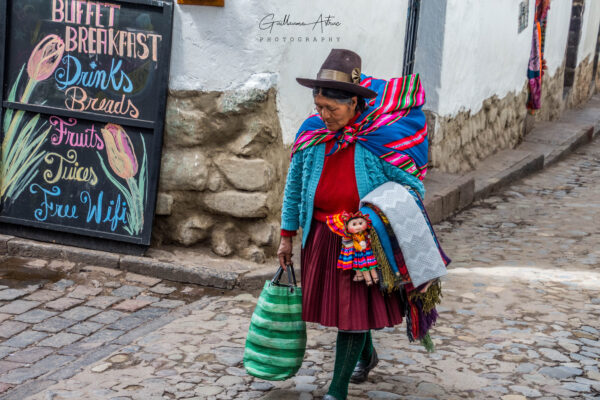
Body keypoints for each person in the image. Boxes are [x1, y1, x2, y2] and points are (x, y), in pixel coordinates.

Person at [277, 49, 430, 400]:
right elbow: (294, 188)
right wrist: (287, 236)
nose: (323, 115)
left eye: (332, 109)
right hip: (320, 237)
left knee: (352, 315)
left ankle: (337, 390)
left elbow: (411, 187)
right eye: (319, 107)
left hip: (361, 243)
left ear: (354, 104)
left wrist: (374, 217)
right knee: (349, 310)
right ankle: (367, 353)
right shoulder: (313, 134)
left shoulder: (381, 140)